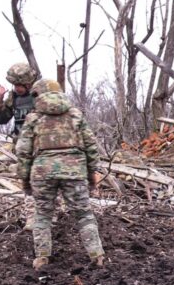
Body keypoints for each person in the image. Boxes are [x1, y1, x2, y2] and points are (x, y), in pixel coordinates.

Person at [15, 81, 106, 270]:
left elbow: (23, 152)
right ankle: (97, 256)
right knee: (83, 214)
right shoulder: (75, 115)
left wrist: (24, 179)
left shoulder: (33, 118)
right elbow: (90, 146)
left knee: (42, 215)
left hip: (42, 172)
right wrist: (92, 173)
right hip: (75, 170)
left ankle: (41, 259)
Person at [0, 62, 41, 138]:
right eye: (14, 85)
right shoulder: (13, 97)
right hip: (20, 143)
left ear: (28, 83)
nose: (16, 88)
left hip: (38, 141)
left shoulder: (41, 95)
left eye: (18, 85)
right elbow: (2, 120)